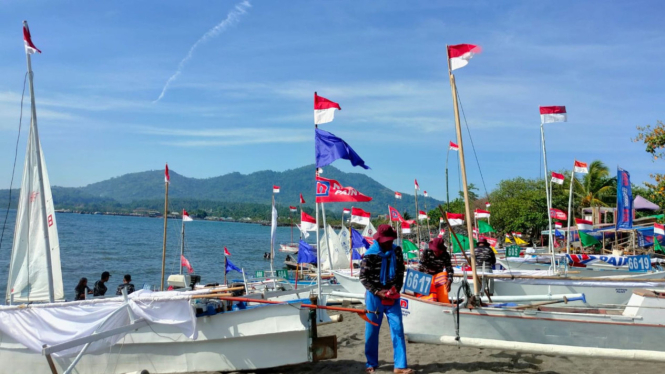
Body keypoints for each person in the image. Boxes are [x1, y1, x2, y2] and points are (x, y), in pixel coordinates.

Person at [359, 224, 414, 374]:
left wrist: (396, 287)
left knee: (397, 328)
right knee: (371, 331)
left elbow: (401, 271)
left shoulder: (397, 251)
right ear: (380, 240)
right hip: (374, 297)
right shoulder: (370, 255)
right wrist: (378, 292)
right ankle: (371, 363)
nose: (389, 243)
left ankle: (400, 366)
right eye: (386, 241)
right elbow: (363, 278)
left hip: (392, 295)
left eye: (391, 240)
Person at [417, 237, 454, 302]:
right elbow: (420, 266)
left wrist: (450, 280)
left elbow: (449, 268)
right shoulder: (426, 252)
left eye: (438, 251)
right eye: (435, 250)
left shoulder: (445, 255)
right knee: (429, 297)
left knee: (443, 296)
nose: (437, 252)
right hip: (426, 277)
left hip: (438, 277)